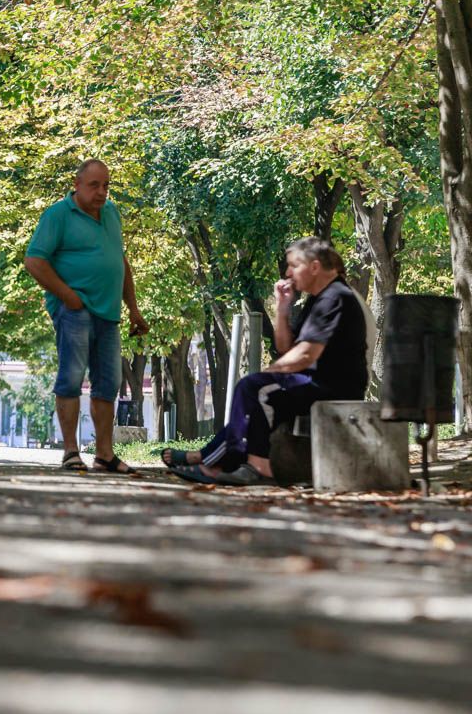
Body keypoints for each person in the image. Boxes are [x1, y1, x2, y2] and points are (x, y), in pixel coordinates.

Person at [164, 237, 368, 486]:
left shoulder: (335, 297)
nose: (288, 272)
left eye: (294, 265)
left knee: (253, 388)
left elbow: (306, 354)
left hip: (333, 386)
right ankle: (210, 460)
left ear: (315, 267)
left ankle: (253, 468)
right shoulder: (319, 299)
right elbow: (286, 348)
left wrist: (271, 371)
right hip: (313, 381)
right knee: (254, 394)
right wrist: (282, 308)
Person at [23, 159, 149, 474]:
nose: (102, 192)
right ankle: (70, 451)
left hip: (109, 312)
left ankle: (104, 454)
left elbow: (119, 261)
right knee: (71, 377)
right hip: (74, 310)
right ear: (77, 184)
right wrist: (68, 296)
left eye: (106, 185)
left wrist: (133, 308)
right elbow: (34, 261)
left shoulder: (111, 213)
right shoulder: (58, 215)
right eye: (94, 185)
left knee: (109, 382)